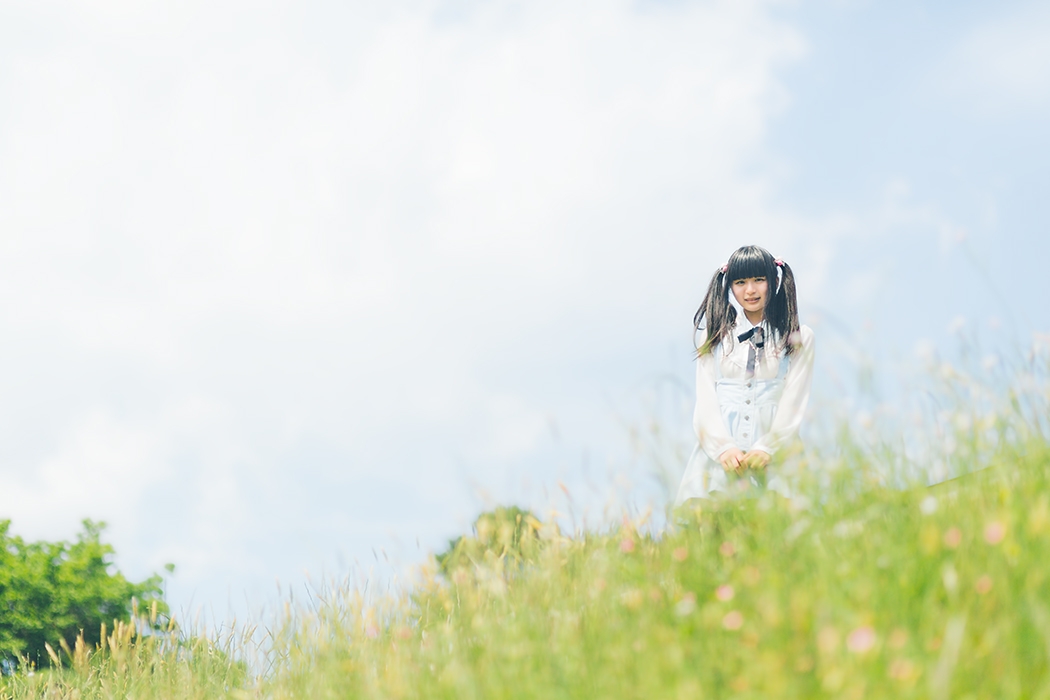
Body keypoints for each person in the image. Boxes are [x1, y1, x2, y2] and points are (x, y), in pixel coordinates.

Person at [674, 245, 815, 506]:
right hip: (720, 458)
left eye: (759, 280)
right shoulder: (714, 337)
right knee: (714, 523)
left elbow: (795, 400)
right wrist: (723, 448)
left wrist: (767, 447)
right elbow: (705, 400)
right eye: (740, 282)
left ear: (774, 281)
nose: (750, 290)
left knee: (777, 523)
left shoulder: (798, 336)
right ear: (730, 286)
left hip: (777, 455)